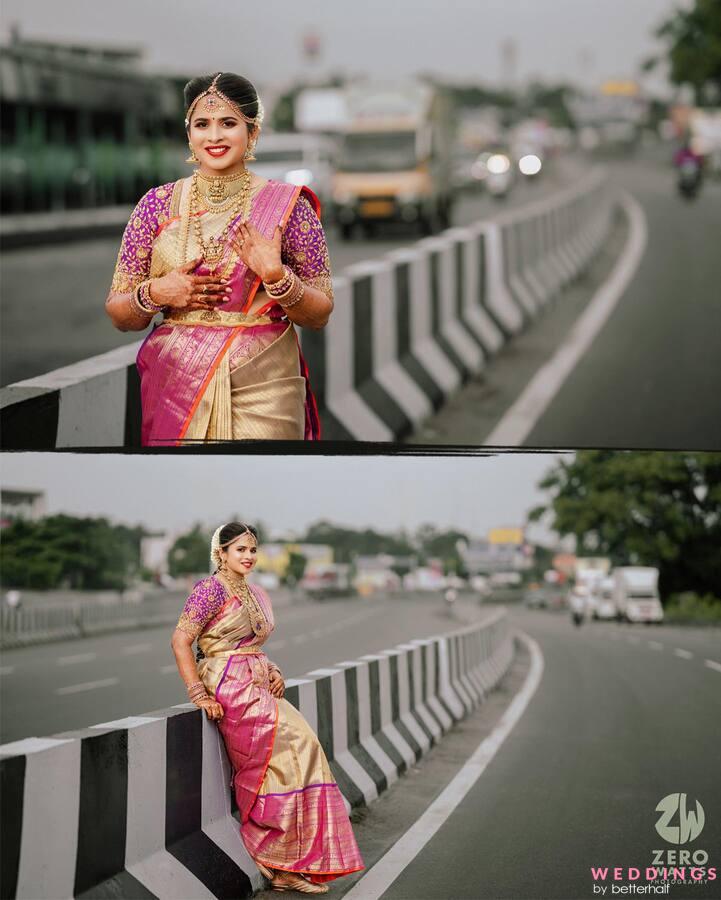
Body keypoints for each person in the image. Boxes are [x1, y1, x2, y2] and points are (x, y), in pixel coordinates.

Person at [105, 73, 333, 445]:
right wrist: (157, 294)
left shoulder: (289, 208)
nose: (214, 137)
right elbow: (118, 313)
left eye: (228, 123)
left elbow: (320, 314)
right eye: (202, 124)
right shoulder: (155, 206)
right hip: (176, 386)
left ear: (252, 132)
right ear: (189, 133)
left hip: (265, 385)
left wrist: (277, 277)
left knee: (263, 496)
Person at [170, 523, 364, 894]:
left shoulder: (255, 592)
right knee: (277, 759)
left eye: (253, 550)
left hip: (257, 680)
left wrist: (272, 669)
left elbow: (250, 644)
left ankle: (291, 859)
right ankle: (275, 855)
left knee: (303, 749)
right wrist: (199, 695)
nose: (248, 556)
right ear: (221, 553)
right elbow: (180, 641)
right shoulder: (210, 589)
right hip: (229, 686)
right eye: (239, 549)